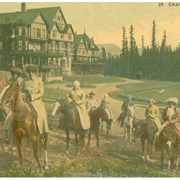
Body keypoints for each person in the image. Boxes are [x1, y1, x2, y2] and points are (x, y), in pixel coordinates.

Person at [22, 64, 49, 136]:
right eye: (29, 72)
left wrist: (32, 96)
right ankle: (8, 132)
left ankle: (42, 131)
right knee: (13, 113)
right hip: (25, 101)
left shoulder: (39, 81)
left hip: (36, 101)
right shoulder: (24, 81)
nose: (31, 74)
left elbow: (41, 93)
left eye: (32, 72)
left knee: (41, 115)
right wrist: (23, 95)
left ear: (35, 72)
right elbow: (21, 91)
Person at [2, 67, 23, 148]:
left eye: (16, 74)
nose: (14, 75)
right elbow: (7, 93)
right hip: (11, 103)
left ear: (18, 75)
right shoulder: (11, 83)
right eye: (13, 74)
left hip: (18, 103)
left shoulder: (20, 83)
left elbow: (20, 93)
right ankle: (6, 138)